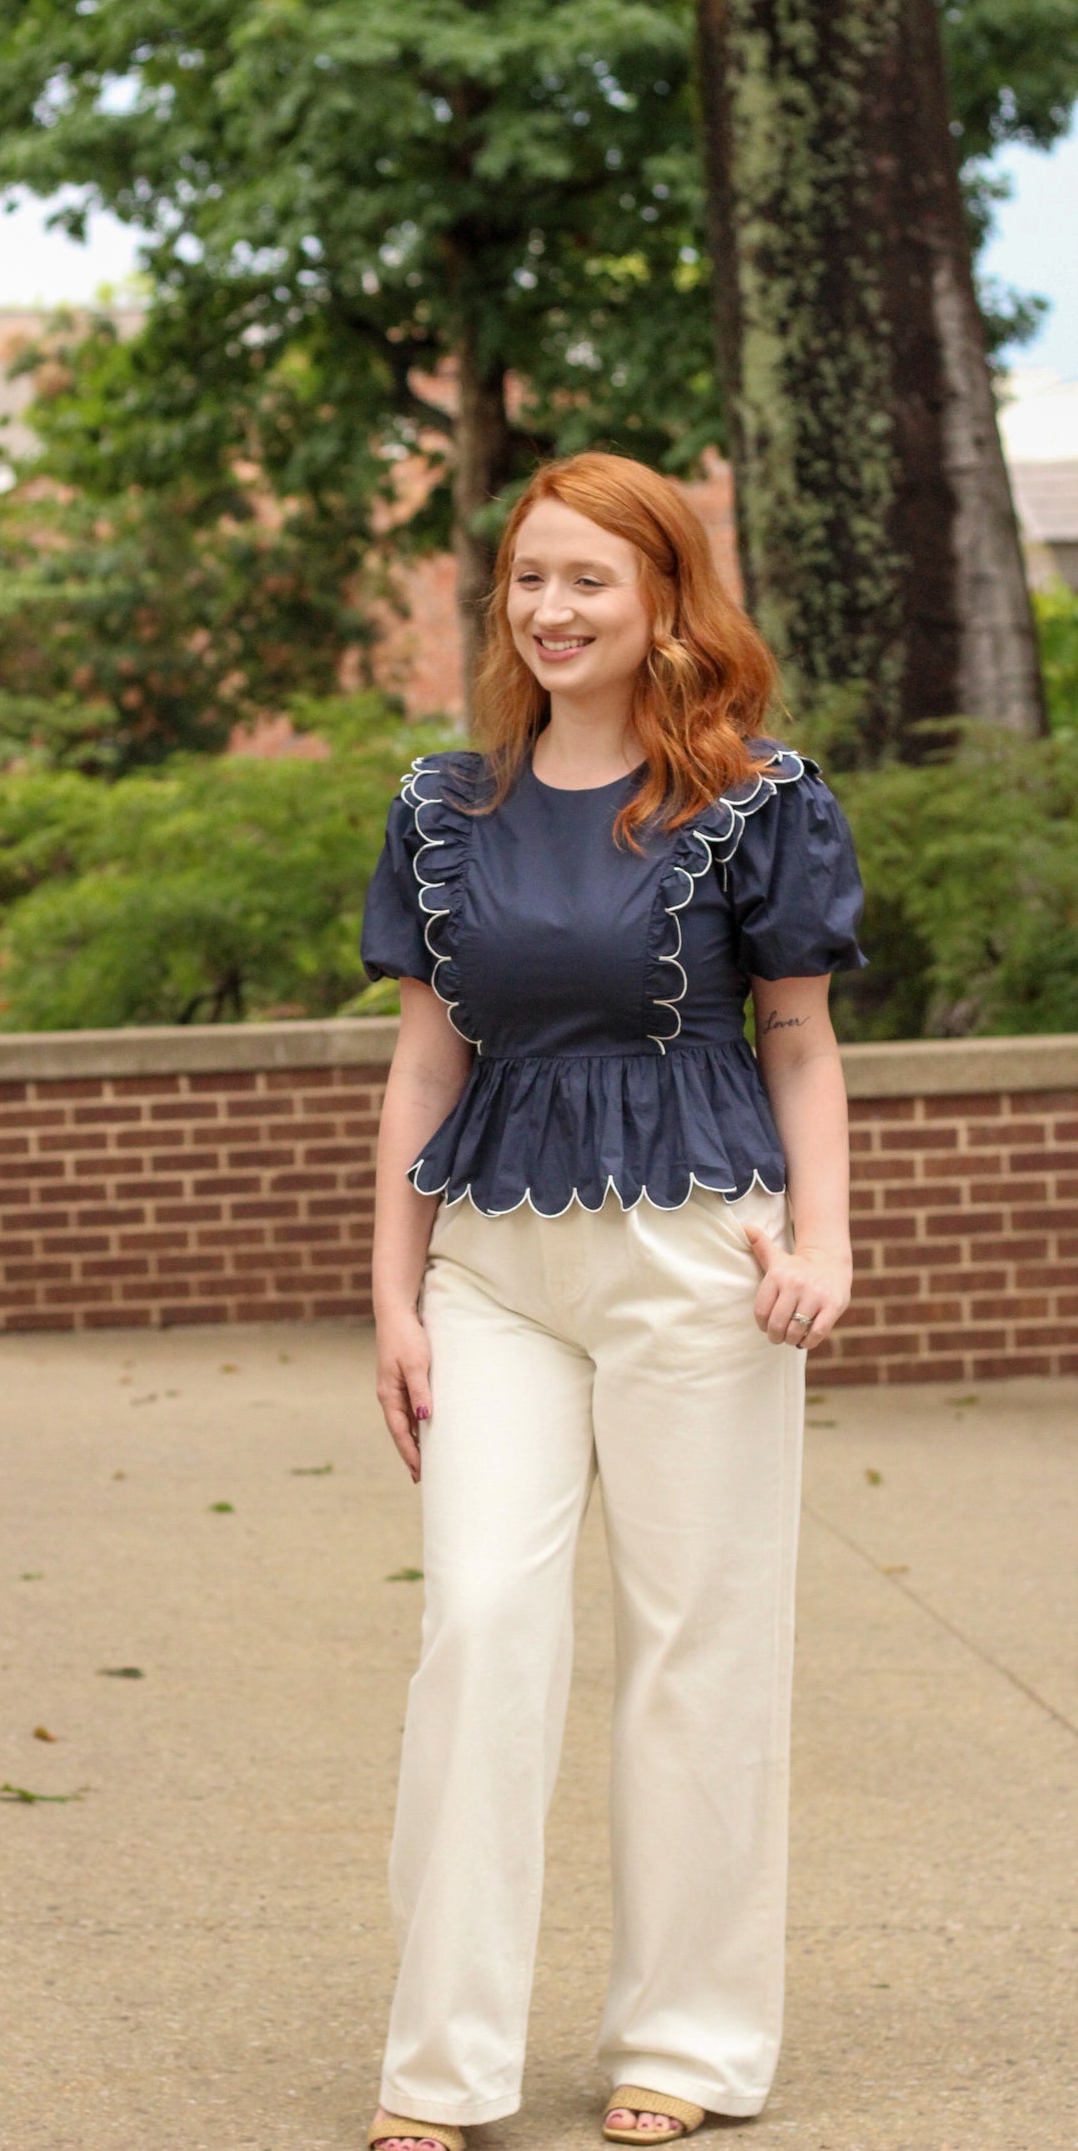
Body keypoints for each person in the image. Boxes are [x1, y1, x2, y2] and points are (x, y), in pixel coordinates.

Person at [357, 451, 867, 2150]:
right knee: (481, 1630)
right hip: (493, 1262)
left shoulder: (753, 797)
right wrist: (393, 1298)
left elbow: (795, 1034)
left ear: (662, 597)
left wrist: (823, 1244)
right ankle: (442, 2066)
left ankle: (686, 2042)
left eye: (587, 577)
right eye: (525, 578)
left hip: (699, 1257)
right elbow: (426, 1054)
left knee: (696, 1648)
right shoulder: (446, 806)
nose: (551, 608)